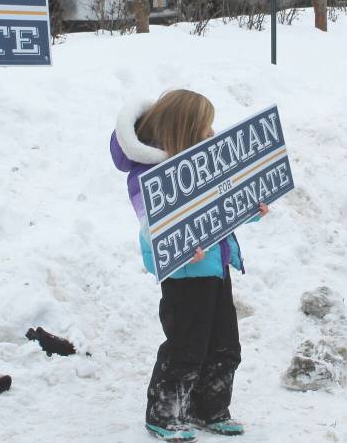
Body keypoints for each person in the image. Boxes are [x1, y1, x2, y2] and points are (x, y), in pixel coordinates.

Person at [110, 90, 268, 441]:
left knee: (226, 345)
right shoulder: (151, 177)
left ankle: (208, 408)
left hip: (217, 267)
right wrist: (175, 248)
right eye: (205, 126)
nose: (212, 132)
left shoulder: (207, 163)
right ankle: (164, 413)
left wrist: (250, 207)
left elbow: (223, 204)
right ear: (184, 130)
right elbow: (151, 230)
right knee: (186, 347)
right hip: (185, 275)